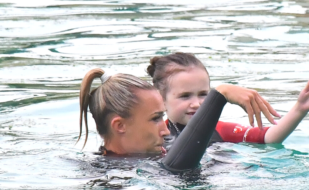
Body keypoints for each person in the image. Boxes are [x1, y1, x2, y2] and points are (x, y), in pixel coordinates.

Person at [76, 69, 280, 172]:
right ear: (120, 126)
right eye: (155, 119)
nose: (165, 131)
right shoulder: (110, 177)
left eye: (162, 116)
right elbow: (176, 168)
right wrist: (218, 97)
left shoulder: (162, 149)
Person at [146, 52, 309, 145]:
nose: (196, 103)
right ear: (161, 100)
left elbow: (268, 138)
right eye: (185, 96)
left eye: (204, 94)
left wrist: (300, 109)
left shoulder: (219, 130)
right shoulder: (154, 137)